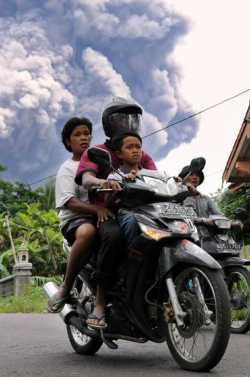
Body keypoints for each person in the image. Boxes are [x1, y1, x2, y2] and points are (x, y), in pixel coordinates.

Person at [75, 96, 157, 329]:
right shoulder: (96, 152)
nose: (127, 123)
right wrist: (102, 182)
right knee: (114, 236)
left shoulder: (142, 154)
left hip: (142, 210)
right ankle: (101, 302)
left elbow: (155, 177)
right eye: (121, 119)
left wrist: (179, 184)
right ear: (109, 124)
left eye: (132, 118)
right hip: (108, 211)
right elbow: (87, 178)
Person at [47, 117, 116, 318]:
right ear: (68, 142)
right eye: (77, 134)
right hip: (76, 219)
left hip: (104, 216)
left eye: (86, 133)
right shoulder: (67, 168)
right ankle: (66, 287)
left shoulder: (101, 163)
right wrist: (96, 210)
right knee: (88, 232)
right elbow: (69, 201)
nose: (84, 137)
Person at [105, 132, 149, 245]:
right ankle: (135, 255)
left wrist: (173, 181)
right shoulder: (115, 175)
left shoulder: (151, 174)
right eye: (129, 147)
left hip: (151, 211)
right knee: (132, 221)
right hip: (129, 211)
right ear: (119, 154)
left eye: (138, 147)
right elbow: (108, 200)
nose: (135, 150)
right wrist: (124, 182)